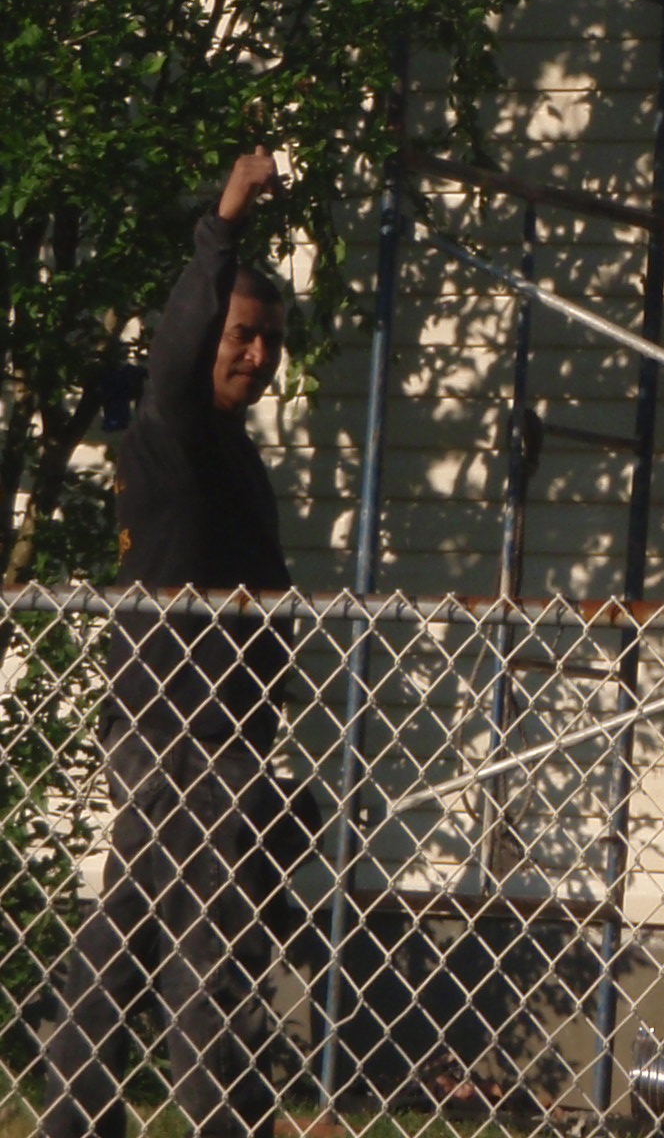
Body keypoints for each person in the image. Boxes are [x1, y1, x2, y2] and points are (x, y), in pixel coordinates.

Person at [43, 149, 296, 1138]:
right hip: (179, 738)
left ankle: (73, 1119)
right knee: (207, 954)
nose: (255, 353)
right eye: (241, 336)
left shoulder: (238, 452)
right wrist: (222, 223)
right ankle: (222, 1123)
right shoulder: (173, 426)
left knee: (128, 938)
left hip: (214, 742)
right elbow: (184, 341)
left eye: (270, 340)